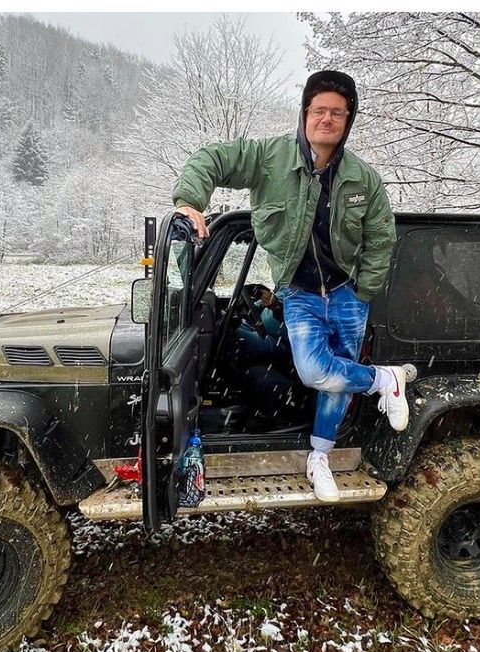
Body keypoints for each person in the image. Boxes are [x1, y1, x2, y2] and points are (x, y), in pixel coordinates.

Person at [172, 70, 414, 503]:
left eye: (337, 112)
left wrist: (364, 290)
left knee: (335, 382)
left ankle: (320, 458)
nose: (327, 119)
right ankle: (384, 380)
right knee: (314, 371)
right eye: (318, 110)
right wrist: (190, 202)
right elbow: (212, 159)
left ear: (348, 120)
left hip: (346, 293)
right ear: (305, 114)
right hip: (299, 295)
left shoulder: (363, 178)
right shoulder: (270, 158)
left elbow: (381, 236)